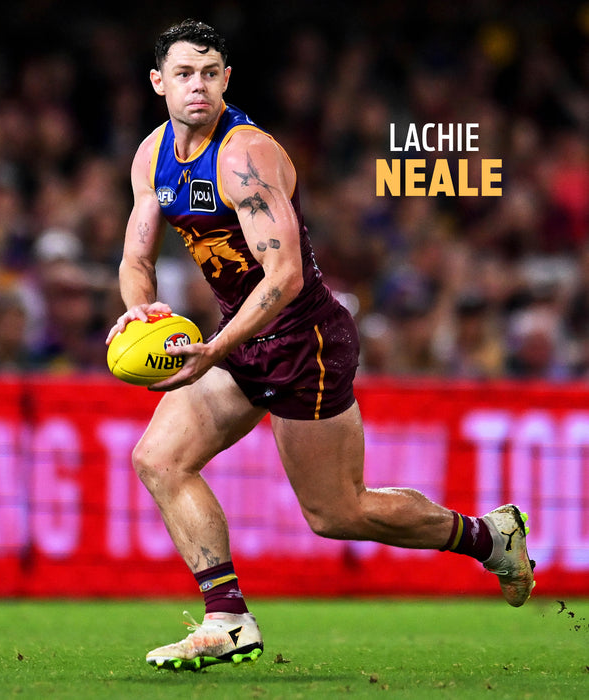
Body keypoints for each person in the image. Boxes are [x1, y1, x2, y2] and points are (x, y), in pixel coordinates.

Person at [106, 19, 535, 672]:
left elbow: (284, 277)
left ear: (227, 79)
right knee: (158, 459)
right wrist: (140, 312)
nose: (199, 86)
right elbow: (136, 259)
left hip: (303, 340)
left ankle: (488, 537)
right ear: (158, 82)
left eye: (211, 73)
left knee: (337, 513)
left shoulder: (245, 155)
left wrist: (215, 349)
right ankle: (227, 619)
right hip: (241, 336)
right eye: (185, 74)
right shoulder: (151, 155)